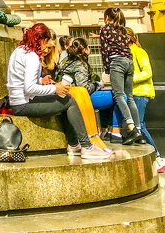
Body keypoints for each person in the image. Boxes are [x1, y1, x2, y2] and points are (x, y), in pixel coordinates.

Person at [7, 22, 110, 160]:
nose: (48, 47)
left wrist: (42, 82)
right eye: (47, 41)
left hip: (17, 101)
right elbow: (29, 88)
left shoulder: (19, 50)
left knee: (63, 100)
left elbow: (24, 82)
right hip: (24, 104)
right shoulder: (32, 56)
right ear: (40, 39)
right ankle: (86, 146)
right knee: (69, 101)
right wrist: (56, 88)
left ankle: (74, 145)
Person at [111, 28, 165, 171]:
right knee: (138, 125)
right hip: (133, 94)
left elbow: (147, 72)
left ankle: (158, 157)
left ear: (127, 38)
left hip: (140, 93)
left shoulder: (139, 52)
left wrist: (126, 79)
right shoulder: (126, 53)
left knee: (139, 125)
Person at [99, 8, 142, 144]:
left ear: (107, 17)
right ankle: (139, 131)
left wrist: (106, 67)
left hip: (117, 62)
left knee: (119, 96)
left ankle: (131, 128)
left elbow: (104, 49)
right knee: (130, 97)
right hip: (129, 62)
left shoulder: (105, 29)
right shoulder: (123, 29)